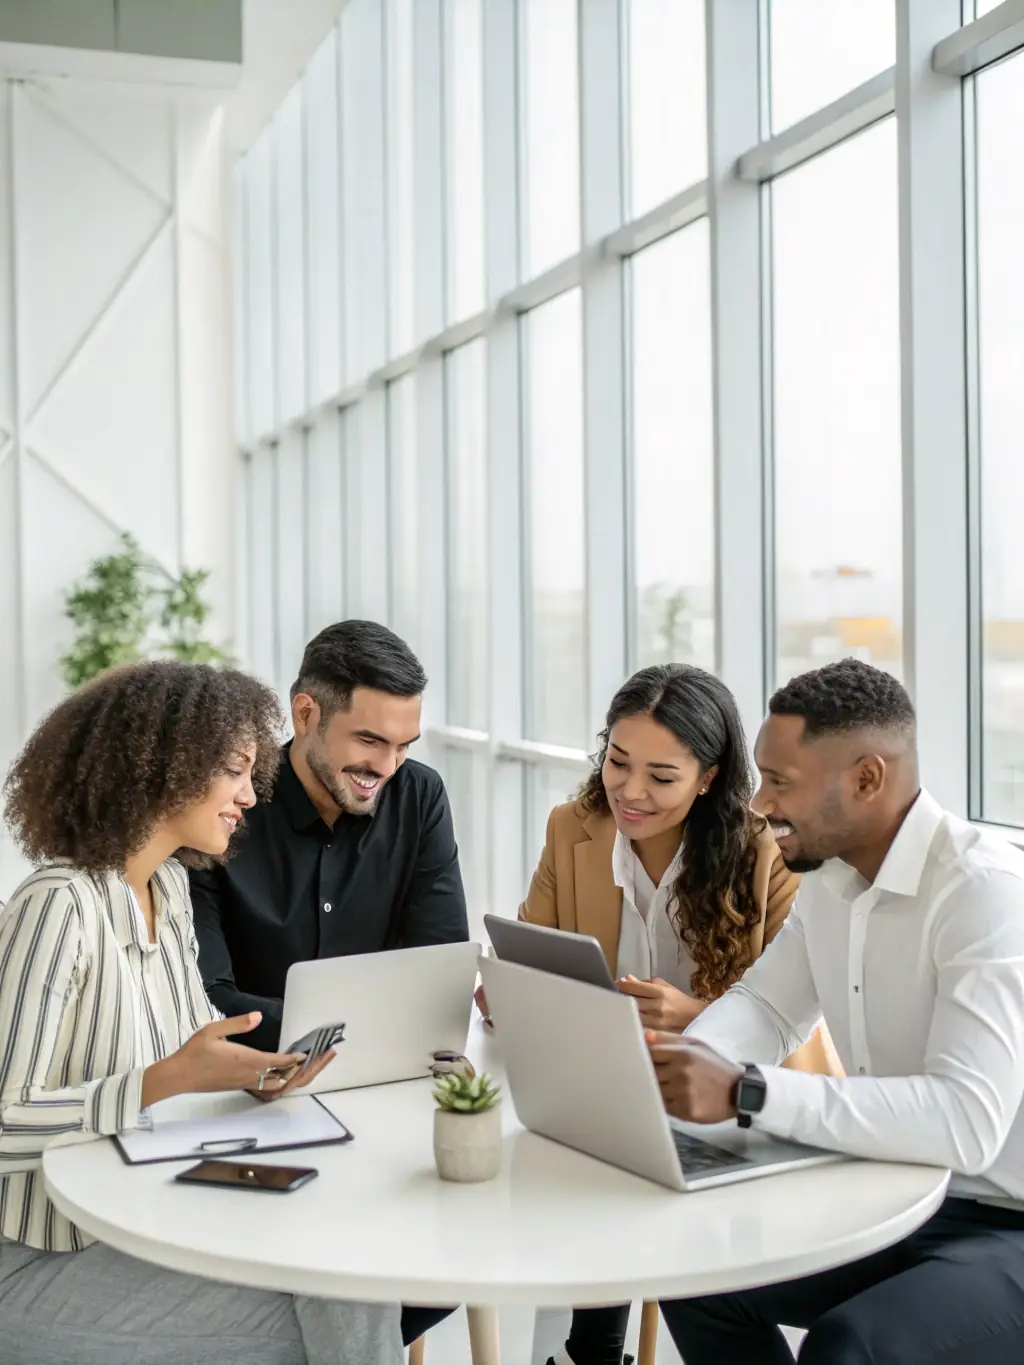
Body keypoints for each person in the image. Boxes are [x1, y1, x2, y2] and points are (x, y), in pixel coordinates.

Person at [0, 661, 402, 1365]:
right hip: (38, 1263)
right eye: (236, 770)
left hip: (147, 1217)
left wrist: (250, 1075)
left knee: (347, 1253)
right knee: (340, 1304)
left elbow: (188, 1054)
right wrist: (165, 1080)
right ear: (164, 769)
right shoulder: (58, 905)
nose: (251, 794)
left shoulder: (172, 888)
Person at [648, 658, 1024, 1365]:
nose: (759, 803)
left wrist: (745, 1091)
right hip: (896, 1190)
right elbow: (766, 1004)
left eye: (781, 781)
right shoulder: (831, 872)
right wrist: (675, 1065)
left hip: (1006, 1224)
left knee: (851, 1345)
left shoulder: (984, 893)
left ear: (867, 778)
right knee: (699, 1273)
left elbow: (968, 1123)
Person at [475, 663, 839, 1365]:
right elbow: (532, 946)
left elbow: (803, 1022)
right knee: (574, 1154)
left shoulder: (768, 849)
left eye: (661, 776)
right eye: (617, 761)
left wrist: (695, 1015)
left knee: (607, 1167)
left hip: (731, 1106)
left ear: (708, 776)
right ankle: (593, 1351)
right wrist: (514, 993)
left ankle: (592, 1350)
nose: (630, 791)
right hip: (613, 1093)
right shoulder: (572, 828)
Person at [190, 620, 468, 1349]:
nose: (389, 765)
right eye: (370, 741)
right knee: (335, 1284)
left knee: (457, 1249)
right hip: (246, 1109)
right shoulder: (228, 811)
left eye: (405, 744)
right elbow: (206, 996)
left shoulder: (420, 798)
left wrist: (329, 1033)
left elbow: (436, 972)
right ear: (306, 712)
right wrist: (363, 1029)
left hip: (384, 1105)